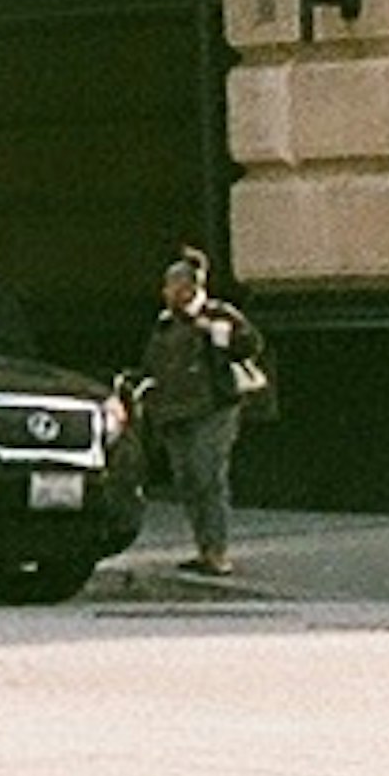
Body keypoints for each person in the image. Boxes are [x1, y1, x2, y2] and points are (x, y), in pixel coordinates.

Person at [126, 246, 265, 576]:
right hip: (175, 413)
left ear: (187, 288)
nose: (165, 293)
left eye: (171, 287)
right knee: (187, 480)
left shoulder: (219, 314)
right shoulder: (165, 325)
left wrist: (219, 334)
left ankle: (217, 550)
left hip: (213, 409)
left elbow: (251, 345)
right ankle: (203, 547)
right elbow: (152, 364)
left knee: (208, 477)